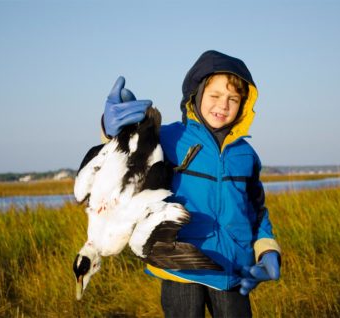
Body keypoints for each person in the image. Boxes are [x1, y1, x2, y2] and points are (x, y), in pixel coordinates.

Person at [101, 50, 281, 318]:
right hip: (179, 265)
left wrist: (267, 248)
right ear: (196, 94)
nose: (223, 105)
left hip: (232, 268)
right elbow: (129, 155)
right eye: (215, 96)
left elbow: (256, 208)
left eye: (233, 98)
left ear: (244, 103)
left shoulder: (246, 155)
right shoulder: (171, 137)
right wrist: (111, 129)